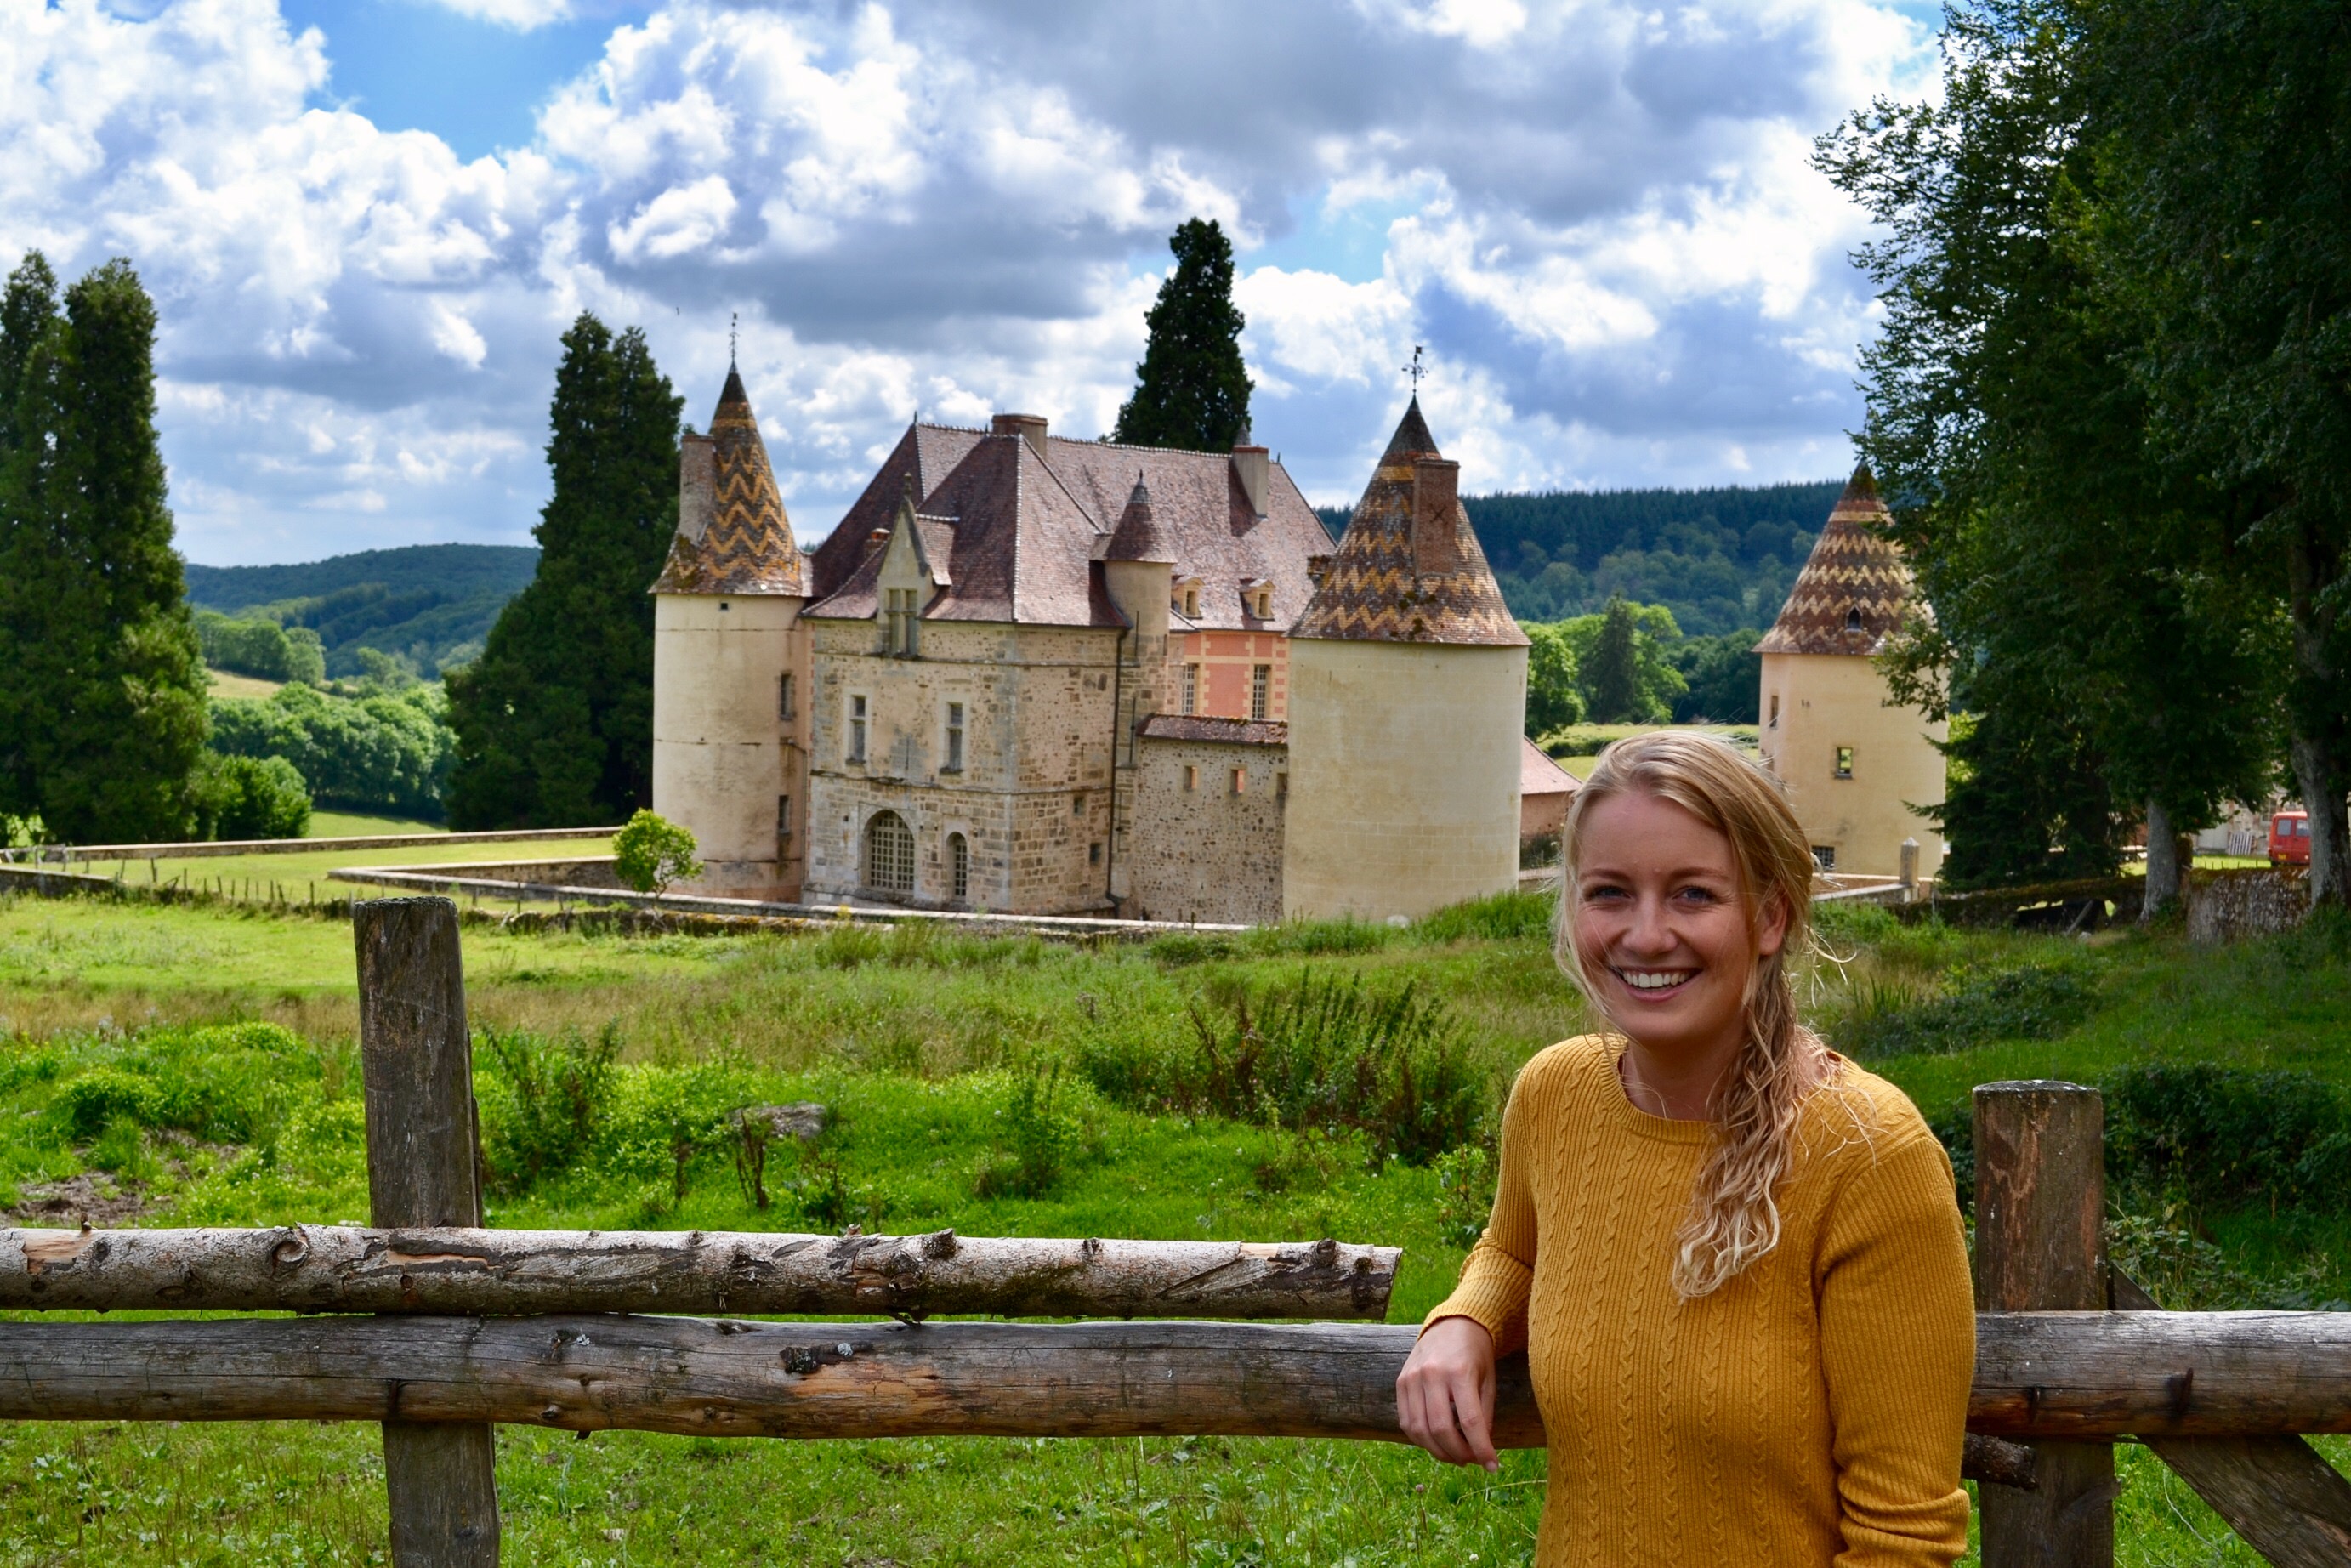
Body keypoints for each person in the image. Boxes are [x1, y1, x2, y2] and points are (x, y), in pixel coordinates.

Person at [1396, 731, 1973, 1565]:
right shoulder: (1554, 1095)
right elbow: (1516, 1249)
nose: (1645, 934)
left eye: (1692, 894)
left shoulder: (1868, 1153)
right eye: (1608, 892)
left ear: (1770, 916)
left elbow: (1903, 1539)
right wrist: (1463, 1319)